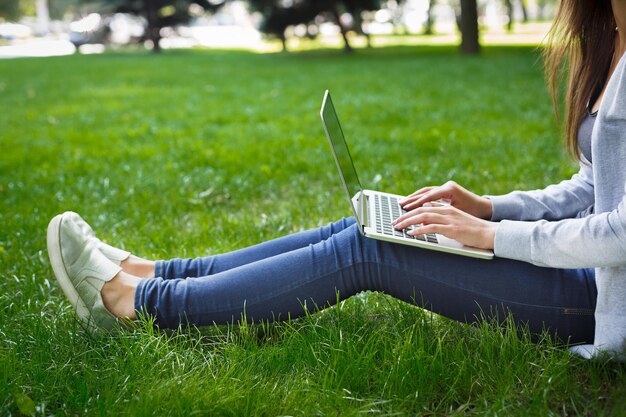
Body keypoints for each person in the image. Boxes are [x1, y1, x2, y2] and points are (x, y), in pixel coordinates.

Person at [47, 0, 626, 359]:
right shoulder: (611, 39)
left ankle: (133, 302)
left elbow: (620, 231)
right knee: (370, 227)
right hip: (577, 269)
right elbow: (593, 185)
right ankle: (158, 273)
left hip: (594, 296)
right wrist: (489, 208)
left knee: (369, 250)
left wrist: (493, 238)